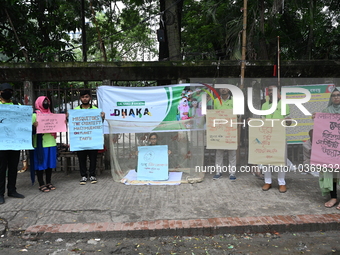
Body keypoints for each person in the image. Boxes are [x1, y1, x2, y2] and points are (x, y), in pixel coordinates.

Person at [261, 85, 291, 193]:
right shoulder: (264, 105)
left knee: (280, 160)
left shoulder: (284, 104)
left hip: (280, 136)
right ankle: (267, 181)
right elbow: (262, 120)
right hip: (267, 136)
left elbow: (287, 120)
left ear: (278, 92)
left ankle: (281, 182)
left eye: (273, 90)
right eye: (269, 90)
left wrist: (288, 121)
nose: (271, 92)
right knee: (267, 159)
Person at [0, 83, 25, 204]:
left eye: (10, 90)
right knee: (1, 168)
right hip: (1, 143)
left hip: (15, 142)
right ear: (0, 92)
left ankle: (12, 190)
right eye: (6, 90)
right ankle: (0, 194)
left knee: (13, 167)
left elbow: (25, 118)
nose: (8, 92)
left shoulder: (17, 105)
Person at [75, 90, 105, 185]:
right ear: (80, 98)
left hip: (92, 139)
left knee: (93, 157)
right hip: (81, 139)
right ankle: (83, 176)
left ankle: (92, 175)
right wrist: (68, 117)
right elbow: (72, 124)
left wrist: (102, 117)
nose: (85, 99)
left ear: (90, 98)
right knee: (81, 158)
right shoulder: (75, 110)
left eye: (87, 97)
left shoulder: (96, 110)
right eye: (83, 97)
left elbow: (99, 124)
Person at [31, 96, 57, 192]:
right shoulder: (35, 115)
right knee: (40, 164)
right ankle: (41, 183)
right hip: (40, 144)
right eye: (44, 101)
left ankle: (48, 182)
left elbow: (58, 126)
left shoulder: (52, 115)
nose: (46, 103)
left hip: (51, 142)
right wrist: (34, 127)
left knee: (50, 164)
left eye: (47, 101)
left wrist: (62, 122)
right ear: (39, 103)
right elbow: (29, 130)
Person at [319, 88, 340, 209]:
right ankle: (333, 197)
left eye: (338, 95)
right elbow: (321, 129)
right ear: (331, 98)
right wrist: (317, 118)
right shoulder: (326, 111)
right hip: (330, 148)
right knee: (331, 172)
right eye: (334, 95)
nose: (336, 97)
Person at [212, 88, 237, 180]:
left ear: (228, 89)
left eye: (225, 88)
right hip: (220, 129)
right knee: (219, 151)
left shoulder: (234, 100)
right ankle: (218, 172)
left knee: (232, 152)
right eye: (222, 88)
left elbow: (237, 114)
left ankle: (232, 173)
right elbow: (214, 114)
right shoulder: (216, 101)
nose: (223, 90)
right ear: (219, 89)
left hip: (231, 129)